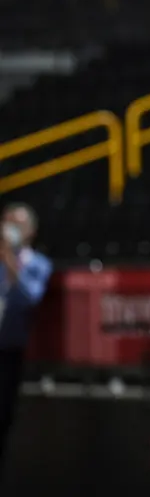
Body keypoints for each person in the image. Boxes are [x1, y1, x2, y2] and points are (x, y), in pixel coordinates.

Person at [0, 202, 52, 477]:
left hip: (8, 350)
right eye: (5, 221)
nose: (8, 228)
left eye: (16, 224)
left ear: (30, 231)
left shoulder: (37, 264)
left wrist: (9, 261)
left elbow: (29, 299)